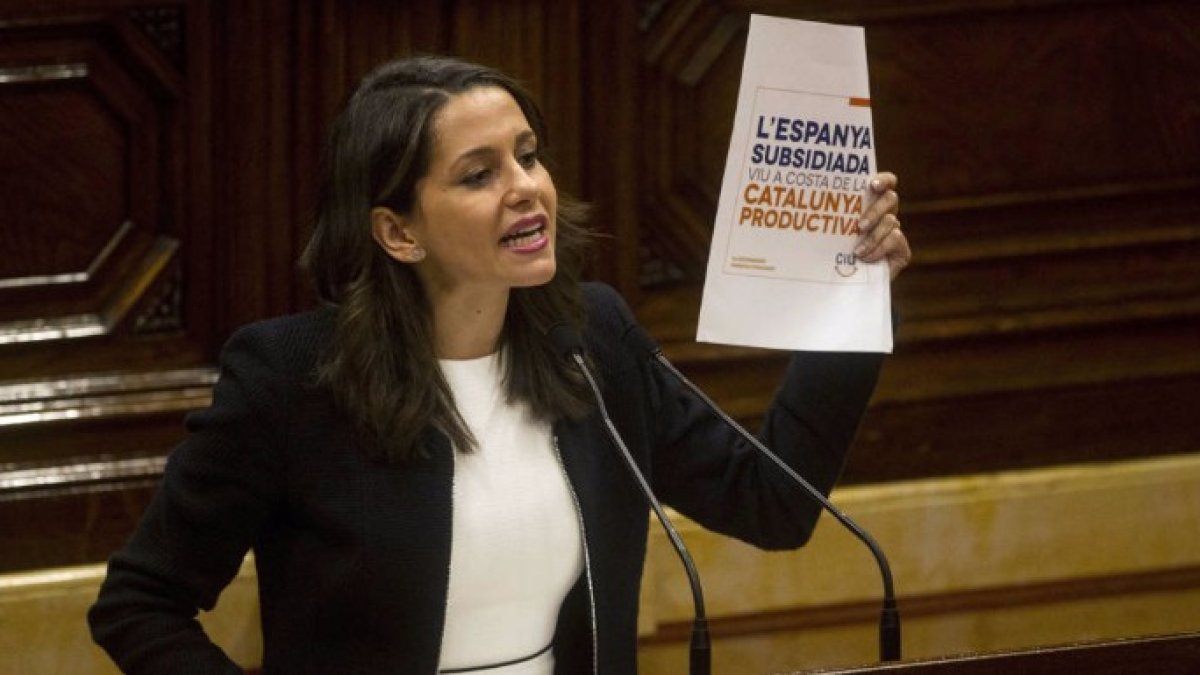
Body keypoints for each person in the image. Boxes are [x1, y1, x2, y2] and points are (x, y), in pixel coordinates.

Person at [88, 55, 911, 674]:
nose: (527, 188)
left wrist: (851, 301)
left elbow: (774, 505)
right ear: (396, 232)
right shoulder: (291, 380)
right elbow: (140, 602)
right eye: (480, 174)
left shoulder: (592, 341)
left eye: (529, 155)